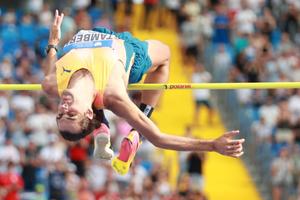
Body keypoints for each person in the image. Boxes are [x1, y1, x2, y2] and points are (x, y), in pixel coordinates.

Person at [42, 10, 245, 176]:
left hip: (97, 37)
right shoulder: (114, 94)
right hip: (128, 51)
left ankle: (101, 124)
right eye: (71, 114)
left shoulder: (52, 83)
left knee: (89, 95)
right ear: (87, 113)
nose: (64, 107)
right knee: (165, 54)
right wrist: (211, 145)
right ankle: (135, 130)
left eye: (60, 113)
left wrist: (53, 43)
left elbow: (51, 58)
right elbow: (158, 138)